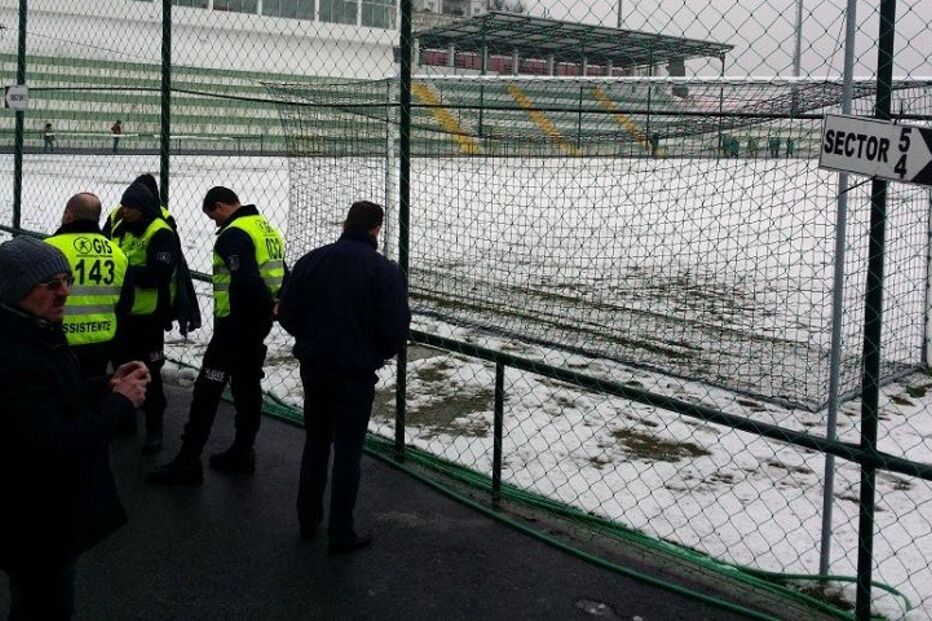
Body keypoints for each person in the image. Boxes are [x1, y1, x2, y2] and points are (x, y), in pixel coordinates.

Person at [0, 236, 149, 621]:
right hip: (34, 519)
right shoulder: (14, 355)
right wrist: (120, 402)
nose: (65, 291)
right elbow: (57, 443)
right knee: (44, 605)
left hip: (41, 514)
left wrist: (106, 385)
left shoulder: (34, 328)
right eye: (51, 284)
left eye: (66, 279)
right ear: (15, 290)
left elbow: (58, 396)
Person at [278, 200, 410, 554]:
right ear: (376, 229)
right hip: (356, 373)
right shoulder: (385, 271)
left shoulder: (312, 261)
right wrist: (373, 354)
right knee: (349, 450)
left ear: (346, 223)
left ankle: (308, 519)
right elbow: (395, 330)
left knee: (317, 442)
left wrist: (312, 340)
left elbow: (287, 313)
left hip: (316, 368)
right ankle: (341, 530)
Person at [148, 186, 286, 486]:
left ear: (221, 206)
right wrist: (274, 304)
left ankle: (188, 460)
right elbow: (282, 273)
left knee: (207, 391)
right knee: (247, 387)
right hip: (258, 324)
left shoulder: (234, 234)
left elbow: (246, 279)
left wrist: (254, 308)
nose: (215, 224)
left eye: (213, 217)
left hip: (235, 326)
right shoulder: (266, 228)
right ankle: (243, 450)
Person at [111, 177, 178, 454]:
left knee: (149, 373)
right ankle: (125, 418)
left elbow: (157, 275)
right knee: (120, 367)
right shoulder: (118, 227)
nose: (123, 210)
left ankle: (154, 427)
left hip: (148, 318)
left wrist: (122, 273)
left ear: (142, 208)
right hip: (121, 314)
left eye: (129, 206)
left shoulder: (160, 233)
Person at [45, 193, 132, 383]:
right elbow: (126, 303)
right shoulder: (117, 254)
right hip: (101, 342)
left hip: (58, 341)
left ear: (68, 214)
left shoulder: (49, 250)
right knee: (93, 394)